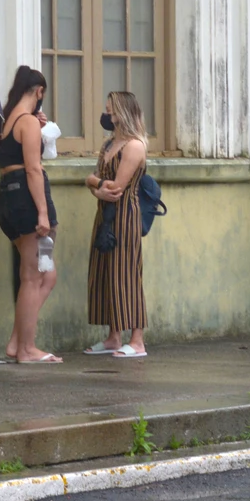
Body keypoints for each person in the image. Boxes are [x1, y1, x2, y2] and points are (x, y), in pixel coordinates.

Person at [0, 66, 62, 363]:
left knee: (44, 274)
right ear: (39, 92)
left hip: (7, 197)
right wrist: (43, 213)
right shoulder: (28, 123)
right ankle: (26, 349)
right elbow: (34, 168)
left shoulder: (1, 121)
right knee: (33, 277)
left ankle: (17, 342)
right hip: (28, 198)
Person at [84, 92, 149, 357]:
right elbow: (99, 184)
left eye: (111, 111)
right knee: (106, 272)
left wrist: (94, 183)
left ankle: (137, 340)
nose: (107, 115)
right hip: (105, 214)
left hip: (125, 216)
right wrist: (96, 185)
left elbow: (116, 188)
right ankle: (113, 336)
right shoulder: (110, 144)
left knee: (127, 273)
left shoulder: (134, 146)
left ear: (123, 112)